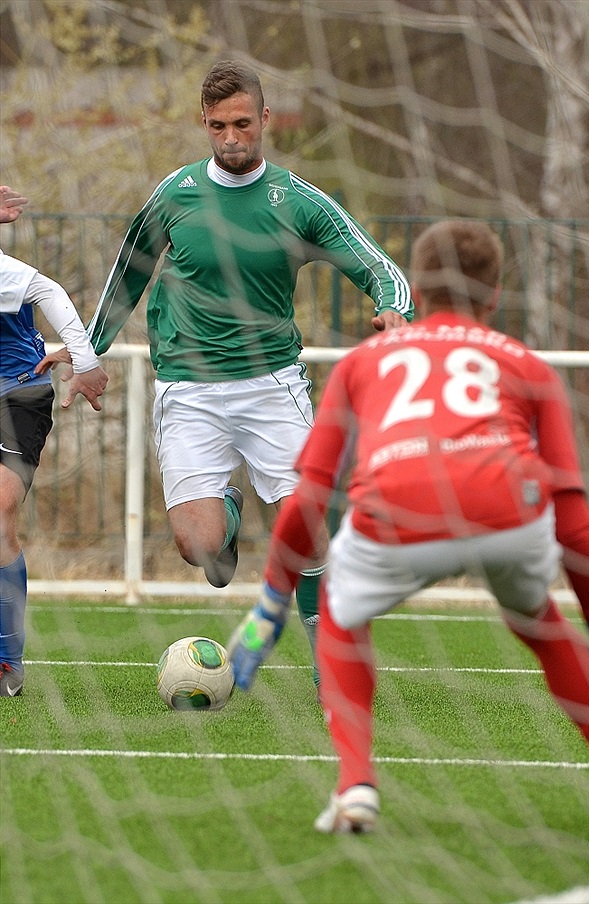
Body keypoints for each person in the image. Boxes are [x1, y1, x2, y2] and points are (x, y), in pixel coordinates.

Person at [228, 219, 589, 837]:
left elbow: (311, 495)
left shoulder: (363, 362)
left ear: (418, 290)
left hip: (399, 510)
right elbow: (571, 511)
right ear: (495, 295)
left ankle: (356, 787)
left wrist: (271, 603)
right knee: (542, 624)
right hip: (508, 511)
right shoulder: (528, 366)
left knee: (339, 613)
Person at [45, 61, 412, 691]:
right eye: (218, 126)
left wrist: (394, 311)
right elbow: (128, 274)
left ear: (264, 119)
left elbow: (377, 265)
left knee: (309, 531)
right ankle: (227, 518)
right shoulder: (177, 193)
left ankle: (332, 666)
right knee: (203, 553)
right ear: (205, 124)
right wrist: (87, 352)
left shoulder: (298, 201)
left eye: (243, 123)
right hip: (187, 390)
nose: (231, 137)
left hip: (271, 385)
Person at [0, 185, 109, 696]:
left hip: (17, 392)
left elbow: (49, 291)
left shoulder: (6, 273)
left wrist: (85, 361)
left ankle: (5, 661)